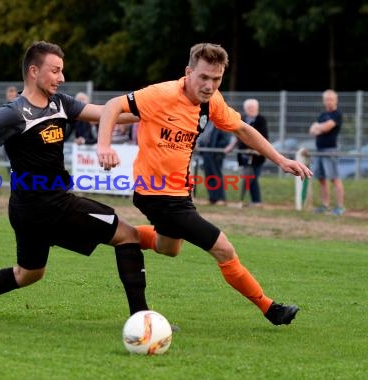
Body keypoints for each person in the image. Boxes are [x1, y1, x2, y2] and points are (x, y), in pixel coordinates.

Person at [0, 41, 150, 319]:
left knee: (29, 273)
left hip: (27, 209)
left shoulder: (60, 103)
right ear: (34, 71)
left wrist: (154, 111)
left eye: (62, 71)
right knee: (128, 235)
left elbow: (107, 113)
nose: (62, 78)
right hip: (49, 205)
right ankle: (143, 320)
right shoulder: (12, 113)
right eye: (55, 71)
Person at [97, 43, 312, 326]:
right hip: (156, 193)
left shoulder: (212, 102)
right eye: (204, 77)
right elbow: (113, 106)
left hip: (180, 193)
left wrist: (280, 160)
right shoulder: (161, 94)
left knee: (169, 247)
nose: (210, 85)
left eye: (216, 79)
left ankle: (117, 234)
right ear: (188, 72)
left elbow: (243, 129)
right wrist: (104, 145)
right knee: (224, 249)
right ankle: (271, 309)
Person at [225, 98, 268, 206]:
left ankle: (256, 201)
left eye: (253, 107)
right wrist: (230, 147)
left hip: (257, 155)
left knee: (253, 178)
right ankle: (252, 201)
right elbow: (237, 136)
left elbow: (263, 137)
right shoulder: (243, 119)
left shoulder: (260, 120)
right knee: (247, 178)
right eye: (249, 108)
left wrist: (257, 150)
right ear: (245, 108)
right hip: (244, 155)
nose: (251, 109)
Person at [309, 89, 345, 215]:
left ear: (336, 100)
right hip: (319, 150)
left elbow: (326, 127)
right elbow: (312, 131)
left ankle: (340, 207)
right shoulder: (322, 115)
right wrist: (320, 128)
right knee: (321, 178)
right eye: (326, 99)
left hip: (330, 150)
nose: (328, 102)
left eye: (331, 99)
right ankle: (325, 205)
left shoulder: (337, 114)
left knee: (334, 178)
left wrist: (319, 127)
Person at [198, 120, 231, 205]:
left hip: (216, 154)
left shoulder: (221, 122)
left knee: (216, 176)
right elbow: (204, 136)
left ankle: (221, 199)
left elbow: (225, 140)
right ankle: (212, 198)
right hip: (206, 152)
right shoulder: (207, 122)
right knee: (209, 176)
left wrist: (217, 149)